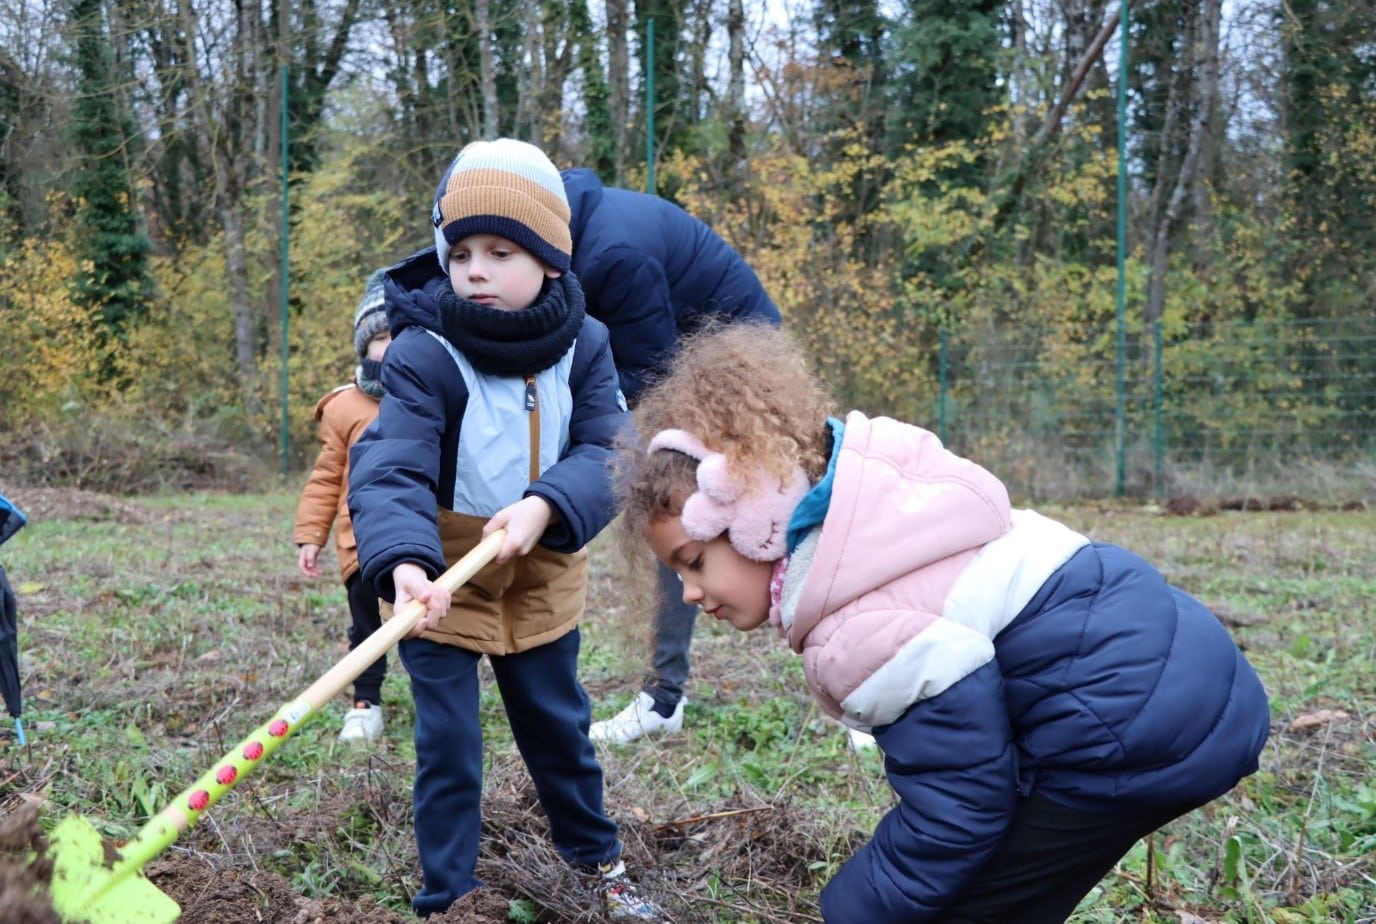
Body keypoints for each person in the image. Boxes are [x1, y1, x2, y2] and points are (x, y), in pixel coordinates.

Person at [609, 321, 1271, 924]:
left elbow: (961, 812)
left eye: (694, 561)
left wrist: (851, 907)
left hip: (1132, 732)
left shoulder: (857, 629)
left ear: (757, 517)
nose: (691, 594)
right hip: (1193, 678)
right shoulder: (887, 512)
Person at [346, 139, 659, 921]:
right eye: (460, 253)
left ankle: (598, 866)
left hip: (542, 571)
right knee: (448, 747)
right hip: (443, 577)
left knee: (560, 732)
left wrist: (550, 503)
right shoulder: (424, 354)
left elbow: (609, 447)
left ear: (551, 260)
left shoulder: (587, 346)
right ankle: (448, 897)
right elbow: (392, 468)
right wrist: (405, 566)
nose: (474, 270)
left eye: (500, 251)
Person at [558, 168, 844, 747]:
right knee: (678, 526)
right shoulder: (565, 244)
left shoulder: (613, 254)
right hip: (679, 357)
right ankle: (664, 701)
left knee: (729, 512)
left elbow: (647, 383)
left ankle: (850, 677)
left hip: (736, 364)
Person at [292, 270, 392, 743]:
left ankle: (439, 698)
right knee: (367, 626)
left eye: (402, 335)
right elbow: (327, 476)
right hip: (360, 543)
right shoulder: (345, 408)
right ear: (364, 346)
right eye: (382, 337)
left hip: (420, 540)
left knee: (423, 627)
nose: (391, 346)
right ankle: (365, 700)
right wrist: (311, 535)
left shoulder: (432, 395)